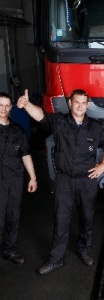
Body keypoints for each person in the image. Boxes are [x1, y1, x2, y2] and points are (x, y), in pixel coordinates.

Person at [17, 88, 104, 275]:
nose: (79, 106)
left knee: (87, 218)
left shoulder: (95, 127)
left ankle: (84, 251)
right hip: (64, 180)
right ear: (70, 103)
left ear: (87, 105)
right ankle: (56, 260)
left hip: (87, 181)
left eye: (83, 103)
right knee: (61, 219)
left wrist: (103, 165)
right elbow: (41, 116)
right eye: (76, 102)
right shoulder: (59, 122)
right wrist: (27, 104)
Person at [0, 92, 37, 265]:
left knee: (13, 216)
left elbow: (26, 154)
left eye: (7, 105)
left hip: (14, 179)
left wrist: (33, 177)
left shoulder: (17, 130)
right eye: (0, 105)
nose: (4, 109)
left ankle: (10, 250)